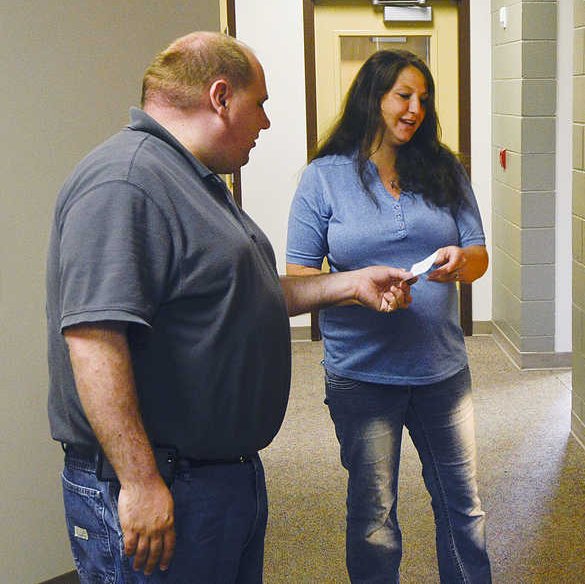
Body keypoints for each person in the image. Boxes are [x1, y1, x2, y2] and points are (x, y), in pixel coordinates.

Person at [46, 31, 413, 583]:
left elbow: (248, 291)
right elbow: (94, 339)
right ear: (220, 97)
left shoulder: (195, 181)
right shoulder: (127, 182)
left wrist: (350, 283)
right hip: (164, 482)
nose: (265, 122)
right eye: (259, 104)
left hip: (217, 478)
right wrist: (142, 482)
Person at [286, 49, 491, 583]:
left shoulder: (443, 167)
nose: (415, 108)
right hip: (362, 375)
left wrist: (459, 262)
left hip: (442, 371)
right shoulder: (323, 178)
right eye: (404, 95)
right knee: (375, 523)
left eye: (423, 98)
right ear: (373, 98)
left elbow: (479, 255)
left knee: (463, 510)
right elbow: (297, 281)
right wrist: (356, 289)